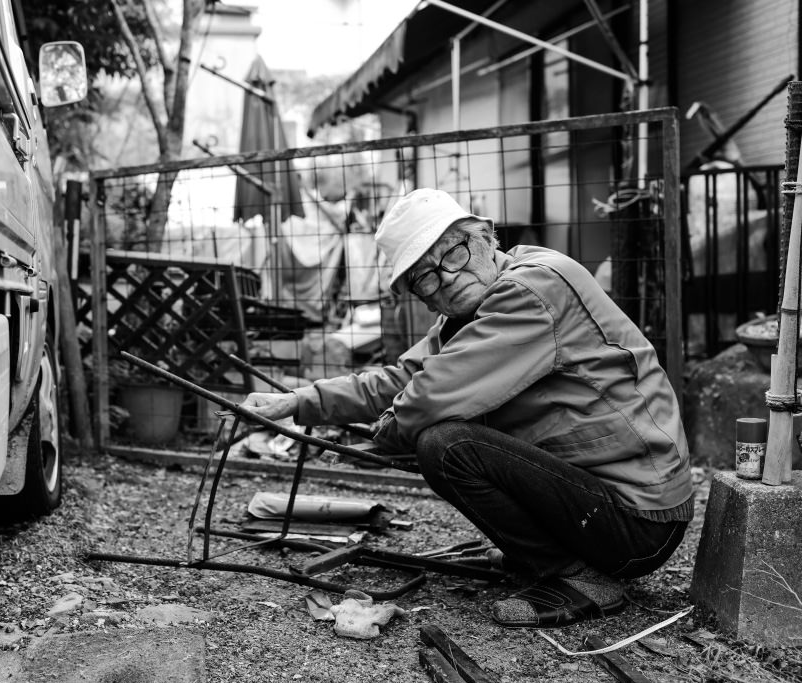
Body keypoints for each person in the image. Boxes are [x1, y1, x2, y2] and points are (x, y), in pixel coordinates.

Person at [240, 188, 694, 628]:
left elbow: (430, 395)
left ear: (486, 235)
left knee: (445, 445)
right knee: (438, 436)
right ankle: (554, 554)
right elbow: (403, 379)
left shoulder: (532, 288)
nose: (448, 277)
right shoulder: (466, 317)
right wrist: (298, 402)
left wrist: (385, 436)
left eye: (454, 253)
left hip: (638, 522)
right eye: (426, 277)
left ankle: (580, 577)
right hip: (601, 503)